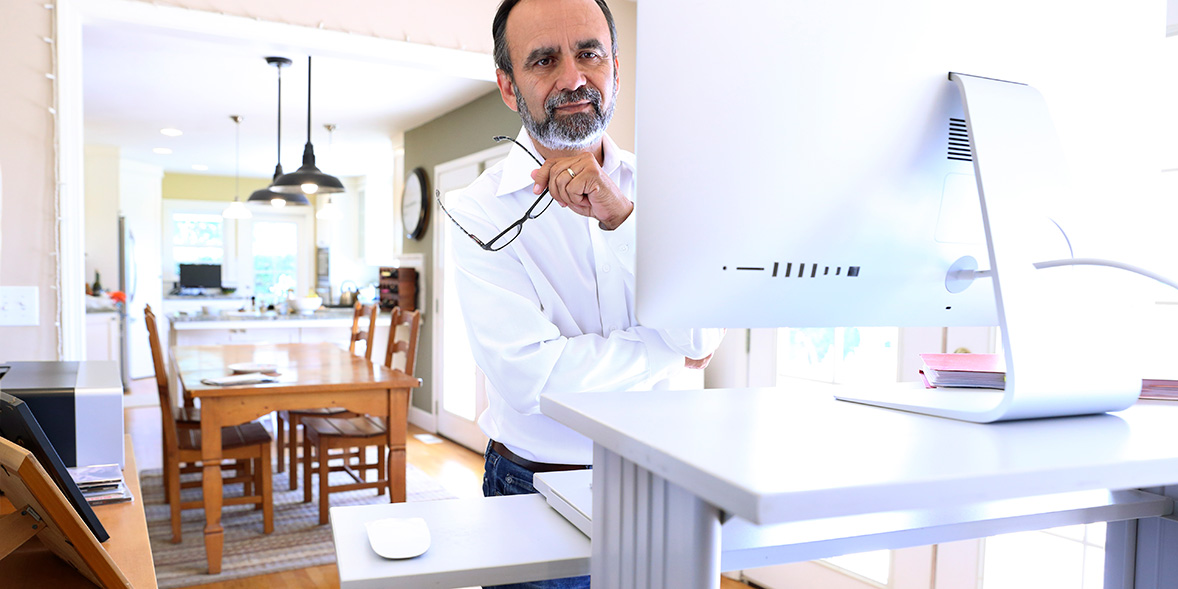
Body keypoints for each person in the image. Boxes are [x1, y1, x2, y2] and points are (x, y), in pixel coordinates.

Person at [441, 1, 724, 586]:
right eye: (543, 60)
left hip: (664, 484)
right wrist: (667, 349)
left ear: (615, 67)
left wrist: (622, 219)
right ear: (509, 87)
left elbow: (702, 331)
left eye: (589, 53)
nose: (573, 78)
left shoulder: (670, 186)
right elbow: (532, 379)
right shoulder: (477, 212)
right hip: (535, 487)